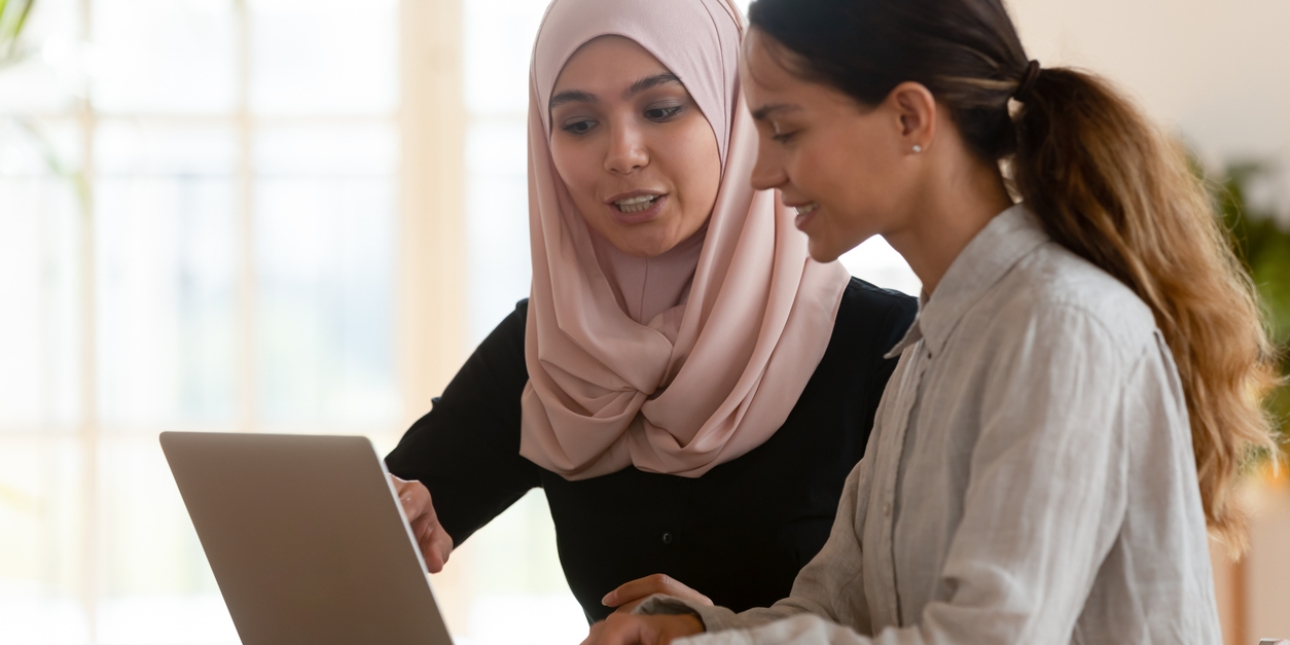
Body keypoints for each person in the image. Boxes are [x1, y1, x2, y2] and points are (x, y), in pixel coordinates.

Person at [583, 0, 1282, 642]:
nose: (762, 170)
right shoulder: (928, 348)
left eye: (786, 130)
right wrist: (697, 630)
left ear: (910, 118)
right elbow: (838, 608)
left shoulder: (1060, 327)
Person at [383, 0, 917, 624]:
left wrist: (726, 636)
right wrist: (393, 515)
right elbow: (391, 513)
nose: (622, 154)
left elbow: (945, 625)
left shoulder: (890, 349)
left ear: (737, 115)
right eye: (580, 124)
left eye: (661, 110)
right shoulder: (552, 349)